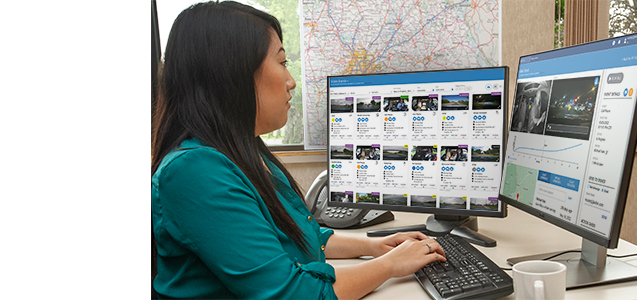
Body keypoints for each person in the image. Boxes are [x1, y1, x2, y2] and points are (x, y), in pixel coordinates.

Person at [151, 2, 445, 299]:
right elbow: (294, 293)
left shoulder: (246, 149)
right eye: (282, 62)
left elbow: (299, 235)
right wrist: (389, 266)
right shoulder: (195, 172)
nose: (291, 82)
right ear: (231, 73)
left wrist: (374, 247)